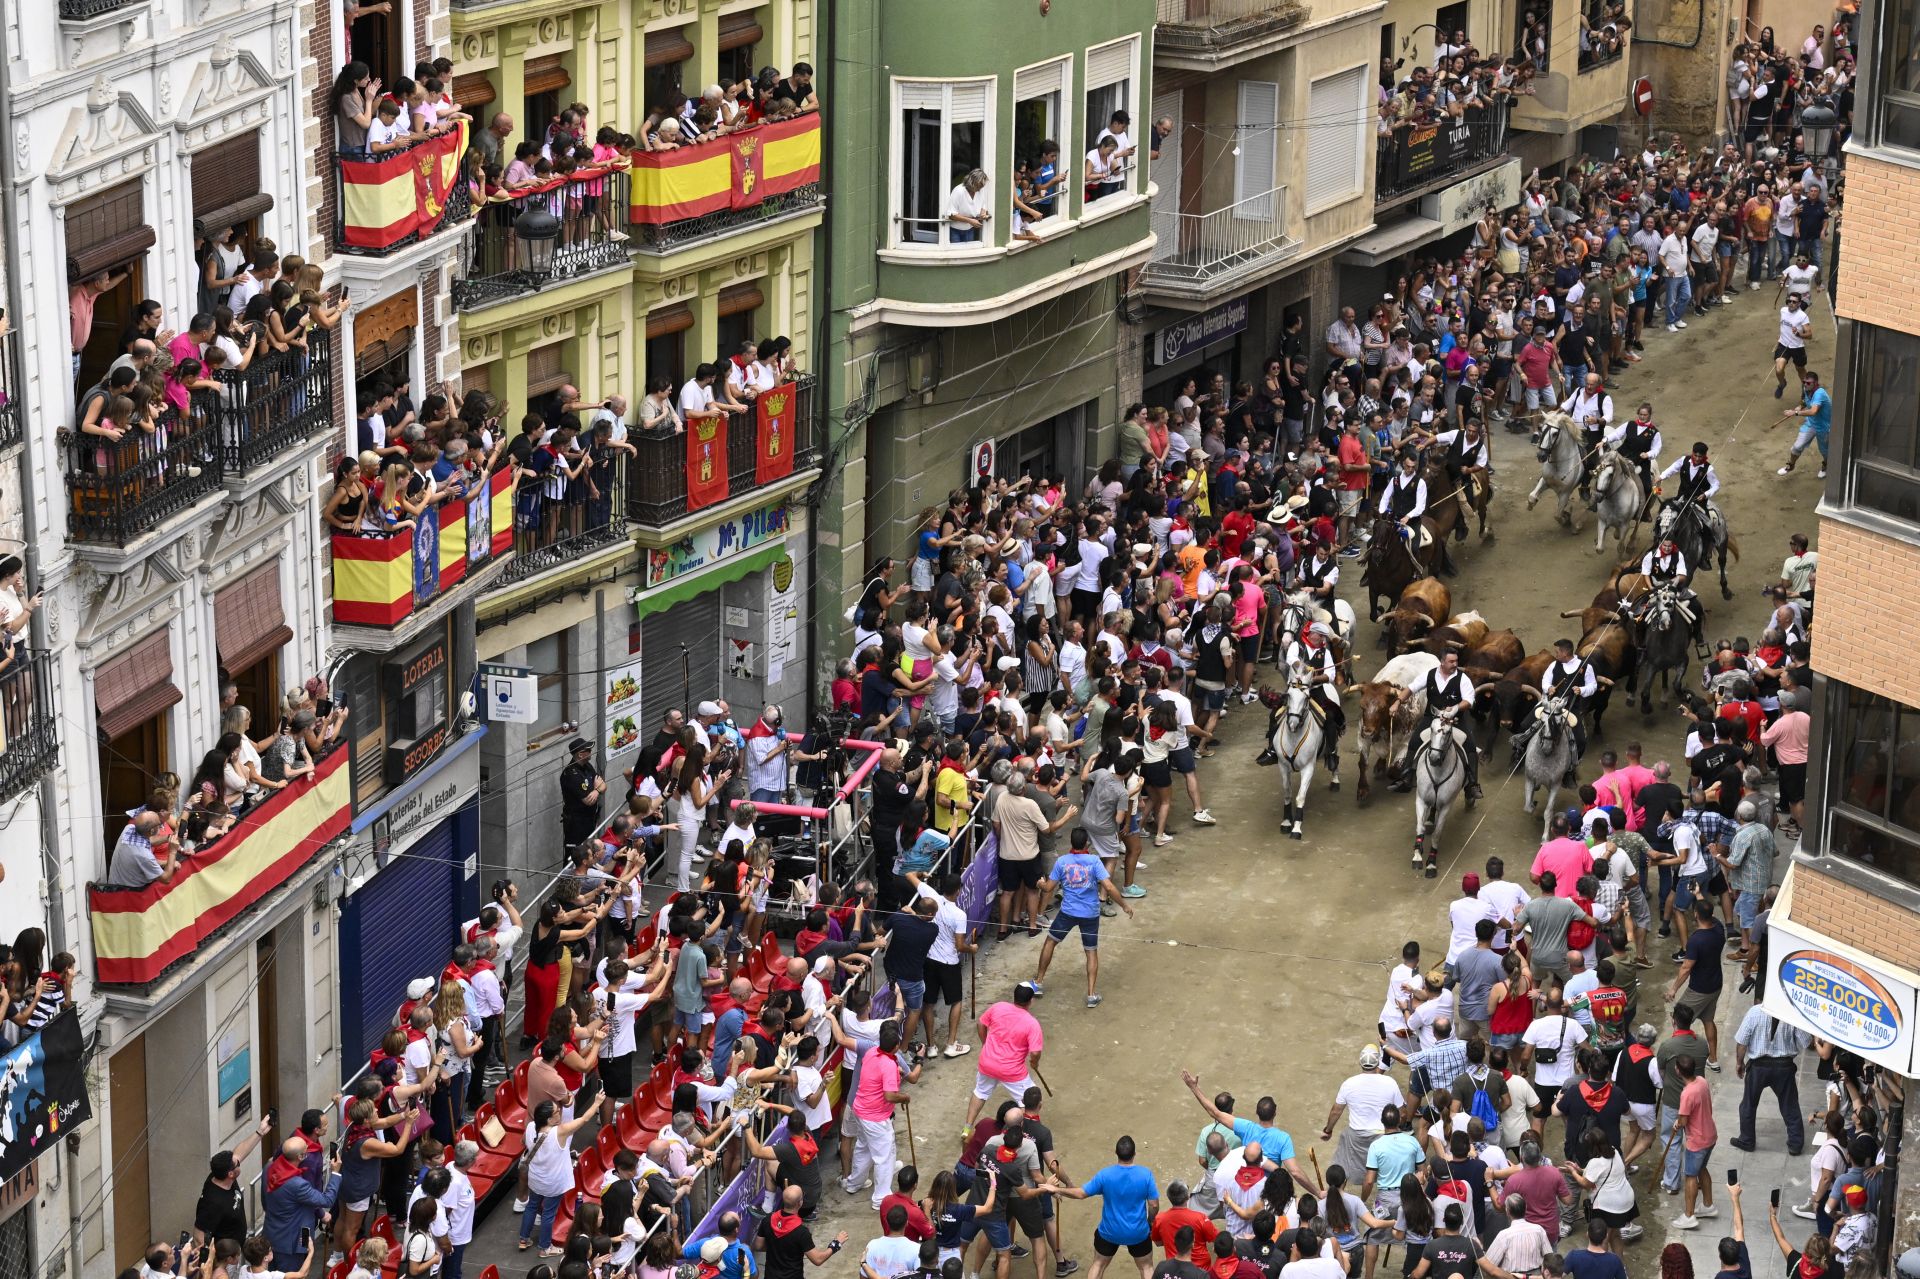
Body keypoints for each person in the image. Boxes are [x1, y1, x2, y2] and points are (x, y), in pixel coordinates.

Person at [1033, 829, 1136, 1008]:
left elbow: (1048, 888)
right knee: (1091, 952)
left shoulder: (1062, 861)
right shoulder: (1094, 861)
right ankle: (1091, 994)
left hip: (1067, 913)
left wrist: (1040, 883)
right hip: (1090, 914)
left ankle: (1039, 982)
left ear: (1071, 843)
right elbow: (1109, 887)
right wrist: (1124, 905)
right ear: (1086, 843)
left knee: (1050, 942)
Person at [1049, 1136, 1161, 1279]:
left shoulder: (1105, 1174)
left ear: (1116, 1153)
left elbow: (1081, 1193)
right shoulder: (1146, 1175)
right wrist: (1150, 1221)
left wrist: (1057, 1190)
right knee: (1146, 1267)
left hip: (1109, 1231)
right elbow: (1154, 1204)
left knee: (1098, 1264)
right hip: (1138, 1232)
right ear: (1134, 1154)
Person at [966, 984, 1045, 1132]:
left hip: (987, 1063)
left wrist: (985, 1045)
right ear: (1031, 1001)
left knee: (980, 1092)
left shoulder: (998, 1007)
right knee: (1030, 1100)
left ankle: (967, 1128)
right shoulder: (1032, 1023)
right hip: (1012, 1071)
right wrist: (1034, 1063)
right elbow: (1034, 1053)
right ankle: (1024, 1133)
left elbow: (981, 1023)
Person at [1670, 1054, 1718, 1229]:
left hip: (1697, 1140)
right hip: (1710, 1135)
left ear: (1678, 1070)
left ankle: (1689, 1215)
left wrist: (1677, 1123)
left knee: (1690, 1175)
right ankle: (1708, 1205)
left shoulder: (1687, 1093)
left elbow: (1683, 1121)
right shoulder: (1702, 1081)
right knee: (1702, 1169)